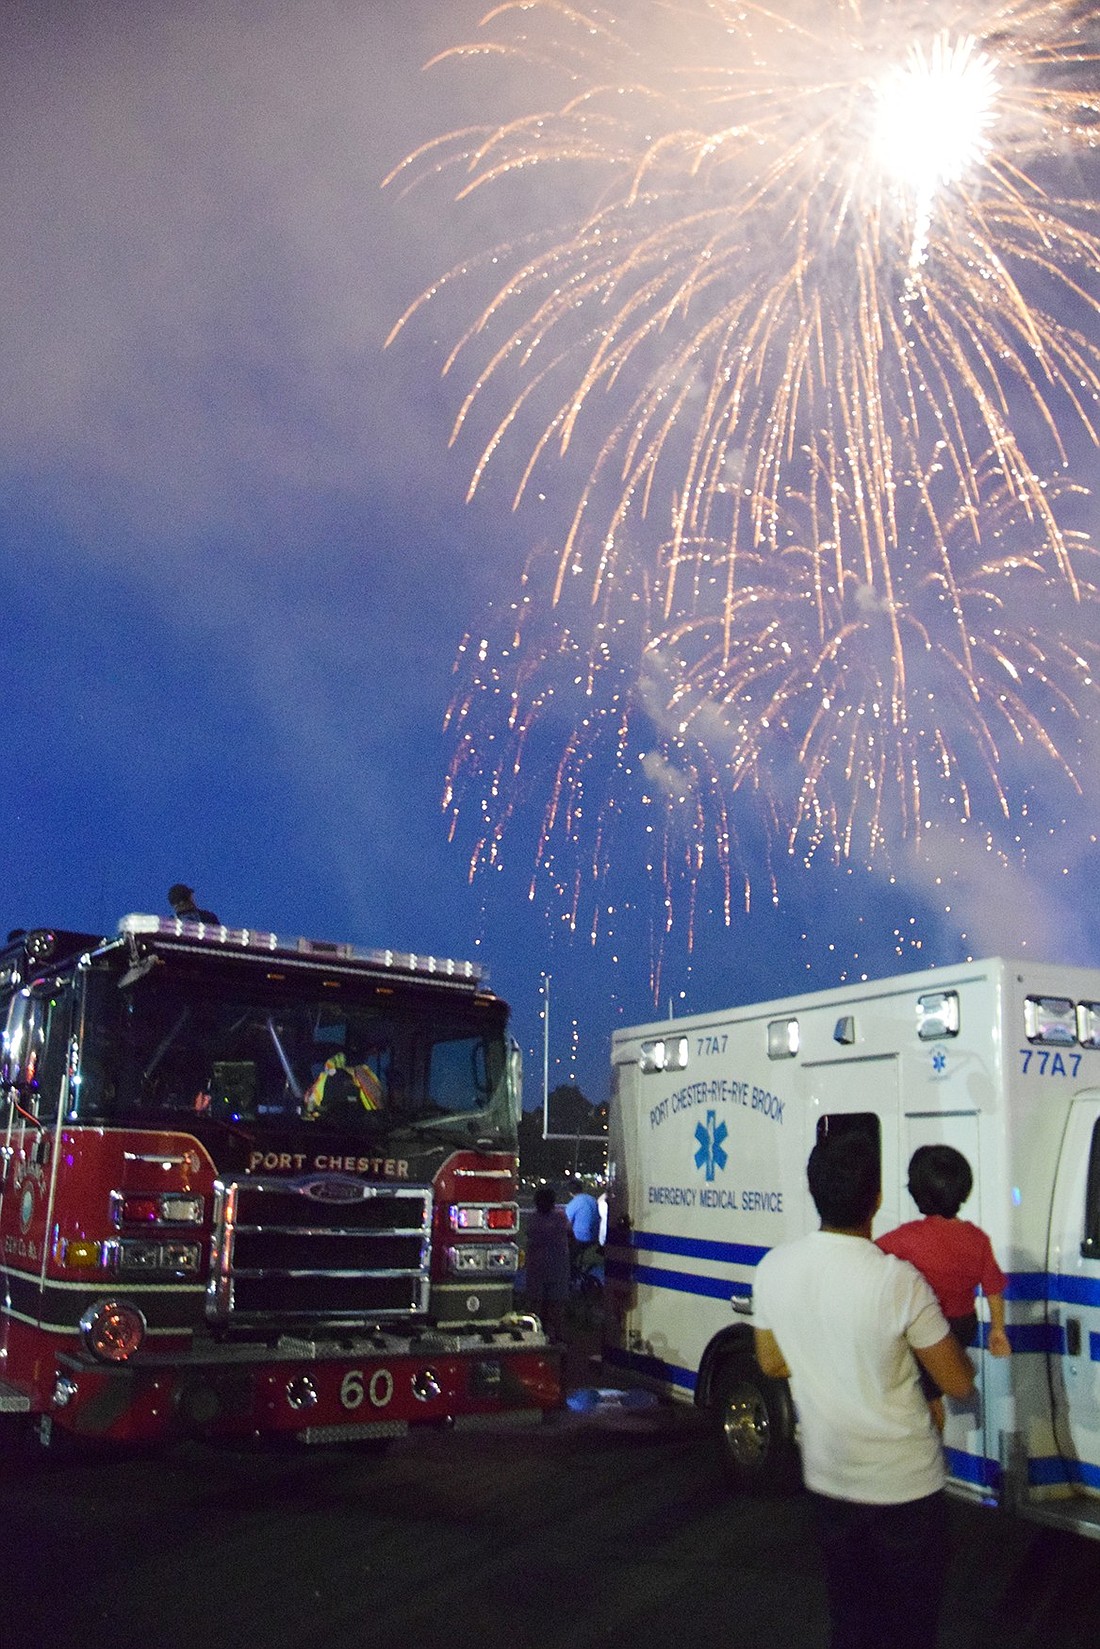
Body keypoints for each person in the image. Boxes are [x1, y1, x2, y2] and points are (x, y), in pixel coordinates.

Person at [753, 1128, 974, 1649]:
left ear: (814, 1193)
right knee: (909, 1630)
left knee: (851, 1624)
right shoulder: (898, 1281)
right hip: (906, 1489)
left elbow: (771, 1361)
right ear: (876, 1199)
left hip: (831, 1479)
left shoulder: (772, 1270)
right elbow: (957, 1382)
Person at [877, 1144, 1010, 1428]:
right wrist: (998, 1329)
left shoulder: (907, 1238)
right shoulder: (977, 1238)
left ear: (918, 1192)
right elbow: (993, 1288)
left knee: (925, 1397)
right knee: (934, 1390)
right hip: (963, 1326)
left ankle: (930, 1452)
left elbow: (869, 1256)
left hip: (926, 1326)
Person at [523, 1183, 572, 1339]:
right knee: (556, 1305)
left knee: (536, 1304)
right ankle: (558, 1336)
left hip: (537, 1266)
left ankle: (536, 1335)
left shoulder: (533, 1219)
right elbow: (569, 1233)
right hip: (557, 1266)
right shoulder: (560, 1217)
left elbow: (529, 1236)